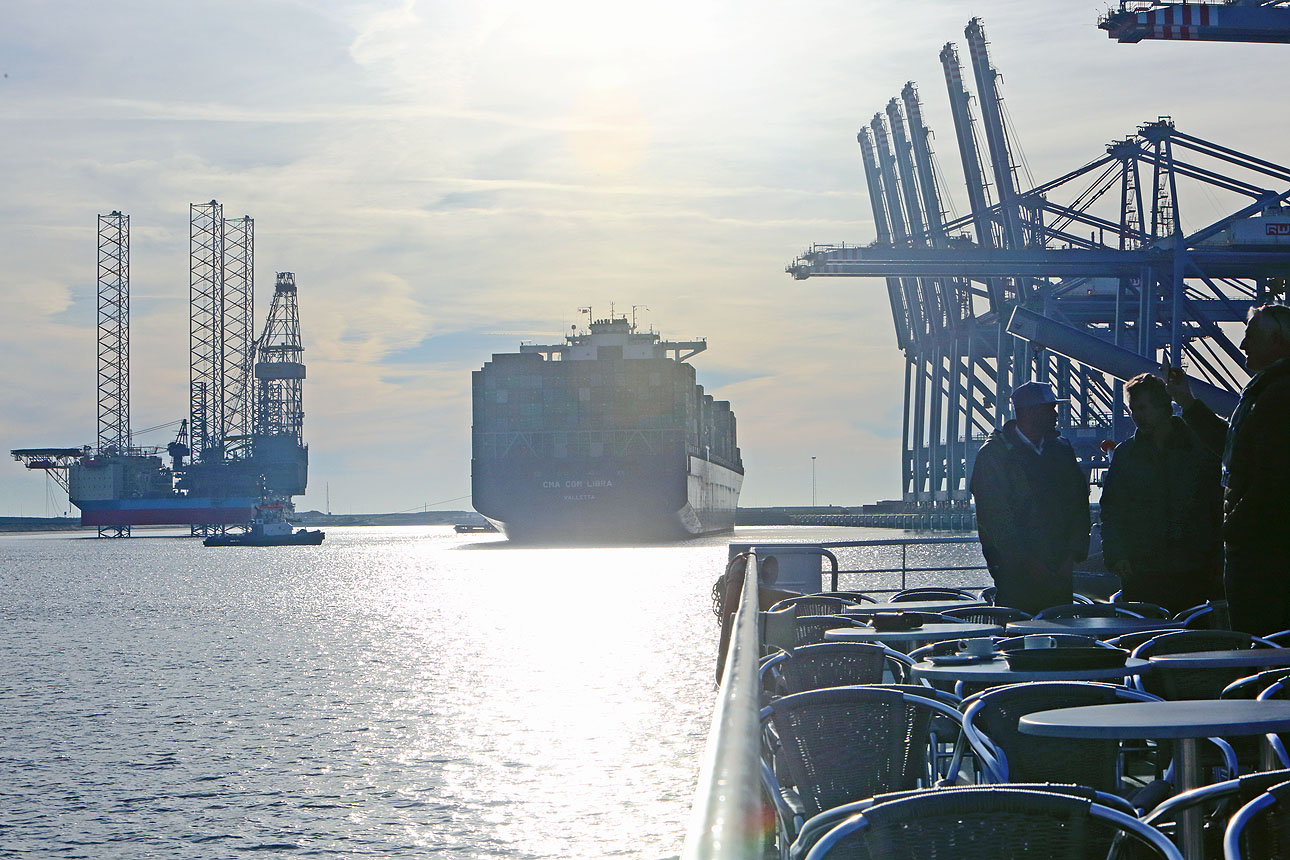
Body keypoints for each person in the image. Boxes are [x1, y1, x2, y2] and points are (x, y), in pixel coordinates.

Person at [1165, 303, 1290, 635]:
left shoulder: (1277, 395)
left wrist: (1233, 530)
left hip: (1262, 552)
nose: (1243, 345)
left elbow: (1272, 479)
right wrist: (1188, 403)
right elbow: (1239, 453)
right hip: (1262, 545)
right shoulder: (1269, 391)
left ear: (1277, 341)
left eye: (1251, 336)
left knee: (1259, 641)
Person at [1099, 373, 1223, 614]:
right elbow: (1112, 509)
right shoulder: (1128, 454)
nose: (1137, 416)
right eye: (1133, 409)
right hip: (1143, 569)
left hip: (1193, 567)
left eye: (1143, 408)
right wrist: (1116, 556)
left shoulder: (1198, 448)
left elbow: (1215, 504)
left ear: (1163, 406)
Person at [970, 380, 1091, 614]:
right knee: (1019, 634)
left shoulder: (1061, 449)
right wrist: (1025, 562)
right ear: (1029, 412)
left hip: (1059, 570)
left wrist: (1072, 556)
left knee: (1061, 636)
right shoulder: (994, 455)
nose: (1056, 414)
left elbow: (1078, 505)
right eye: (1049, 409)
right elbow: (996, 518)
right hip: (1015, 574)